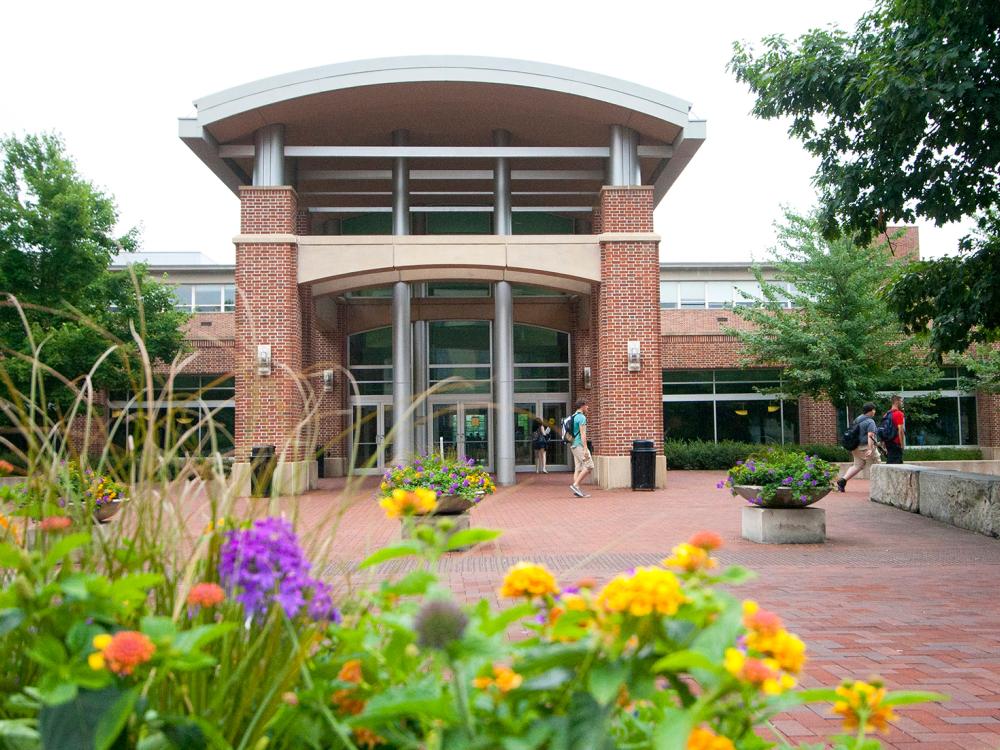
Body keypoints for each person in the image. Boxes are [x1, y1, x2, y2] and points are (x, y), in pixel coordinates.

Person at [837, 402, 879, 492]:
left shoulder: (858, 419)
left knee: (857, 466)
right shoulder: (870, 421)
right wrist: (870, 449)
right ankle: (878, 488)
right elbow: (870, 435)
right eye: (874, 410)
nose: (875, 411)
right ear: (870, 411)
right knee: (876, 465)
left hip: (855, 447)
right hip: (865, 447)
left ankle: (842, 481)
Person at [569, 399, 593, 498]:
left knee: (578, 468)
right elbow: (583, 434)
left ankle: (577, 489)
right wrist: (585, 448)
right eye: (586, 406)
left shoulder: (573, 416)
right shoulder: (582, 417)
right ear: (582, 406)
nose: (588, 407)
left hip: (573, 445)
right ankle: (575, 485)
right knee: (589, 465)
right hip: (579, 445)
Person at [884, 394, 906, 464]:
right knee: (896, 464)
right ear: (897, 402)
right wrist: (902, 445)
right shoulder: (899, 414)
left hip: (888, 442)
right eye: (901, 402)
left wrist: (884, 444)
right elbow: (900, 430)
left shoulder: (886, 414)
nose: (902, 404)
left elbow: (884, 430)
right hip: (896, 443)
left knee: (891, 461)